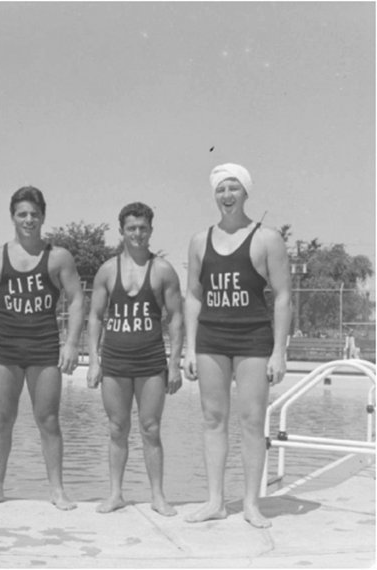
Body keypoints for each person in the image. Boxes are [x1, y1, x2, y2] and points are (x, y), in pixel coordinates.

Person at [183, 163, 292, 528]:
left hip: (253, 340)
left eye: (233, 188)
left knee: (251, 421)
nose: (227, 195)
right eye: (220, 189)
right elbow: (194, 296)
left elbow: (282, 297)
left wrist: (279, 350)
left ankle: (250, 503)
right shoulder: (200, 240)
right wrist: (189, 347)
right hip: (211, 339)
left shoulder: (267, 238)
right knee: (213, 419)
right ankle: (215, 500)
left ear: (246, 192)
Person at [0, 186, 84, 510]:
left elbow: (77, 299)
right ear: (13, 217)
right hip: (6, 345)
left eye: (34, 214)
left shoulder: (58, 256)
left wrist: (72, 343)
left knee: (48, 419)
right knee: (1, 418)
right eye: (22, 214)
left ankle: (57, 490)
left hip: (44, 345)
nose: (29, 220)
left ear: (43, 216)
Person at [86, 202, 184, 516]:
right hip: (114, 360)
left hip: (150, 360)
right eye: (131, 228)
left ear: (151, 230)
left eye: (143, 228)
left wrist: (174, 363)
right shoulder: (107, 270)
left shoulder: (163, 270)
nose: (137, 234)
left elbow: (176, 319)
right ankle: (115, 494)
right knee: (117, 427)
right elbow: (95, 316)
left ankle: (157, 495)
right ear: (122, 231)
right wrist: (93, 360)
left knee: (151, 428)